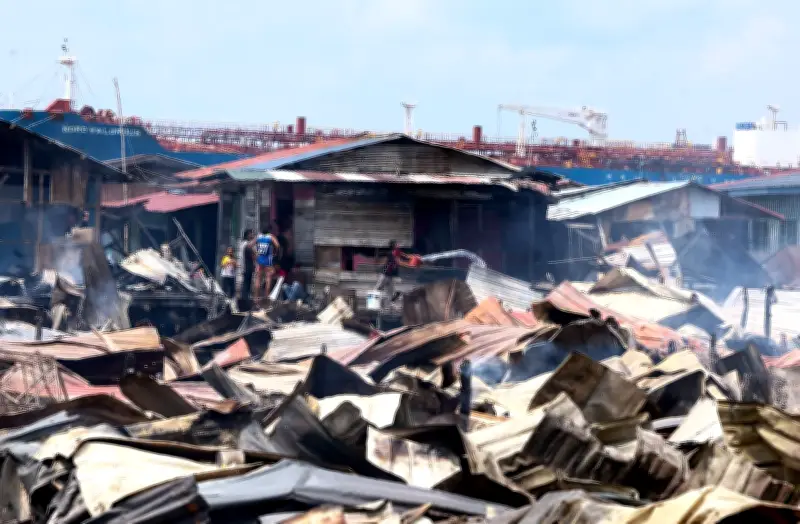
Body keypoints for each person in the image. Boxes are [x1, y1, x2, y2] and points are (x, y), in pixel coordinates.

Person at [375, 240, 415, 304]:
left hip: (388, 274)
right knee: (384, 287)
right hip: (387, 274)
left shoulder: (394, 252)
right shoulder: (392, 253)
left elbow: (401, 257)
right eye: (396, 244)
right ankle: (392, 298)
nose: (398, 245)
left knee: (385, 287)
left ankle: (392, 298)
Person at [249, 226, 280, 302]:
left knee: (258, 279)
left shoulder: (258, 237)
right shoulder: (270, 237)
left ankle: (256, 298)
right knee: (268, 278)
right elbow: (277, 245)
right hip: (268, 261)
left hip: (259, 261)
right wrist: (275, 253)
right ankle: (266, 298)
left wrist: (255, 254)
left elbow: (249, 245)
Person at [238, 229, 256, 310]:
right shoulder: (247, 245)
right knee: (246, 286)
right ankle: (245, 303)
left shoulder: (242, 244)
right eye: (251, 234)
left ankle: (245, 301)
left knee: (246, 285)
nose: (252, 235)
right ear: (248, 235)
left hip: (245, 267)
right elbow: (253, 254)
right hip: (247, 267)